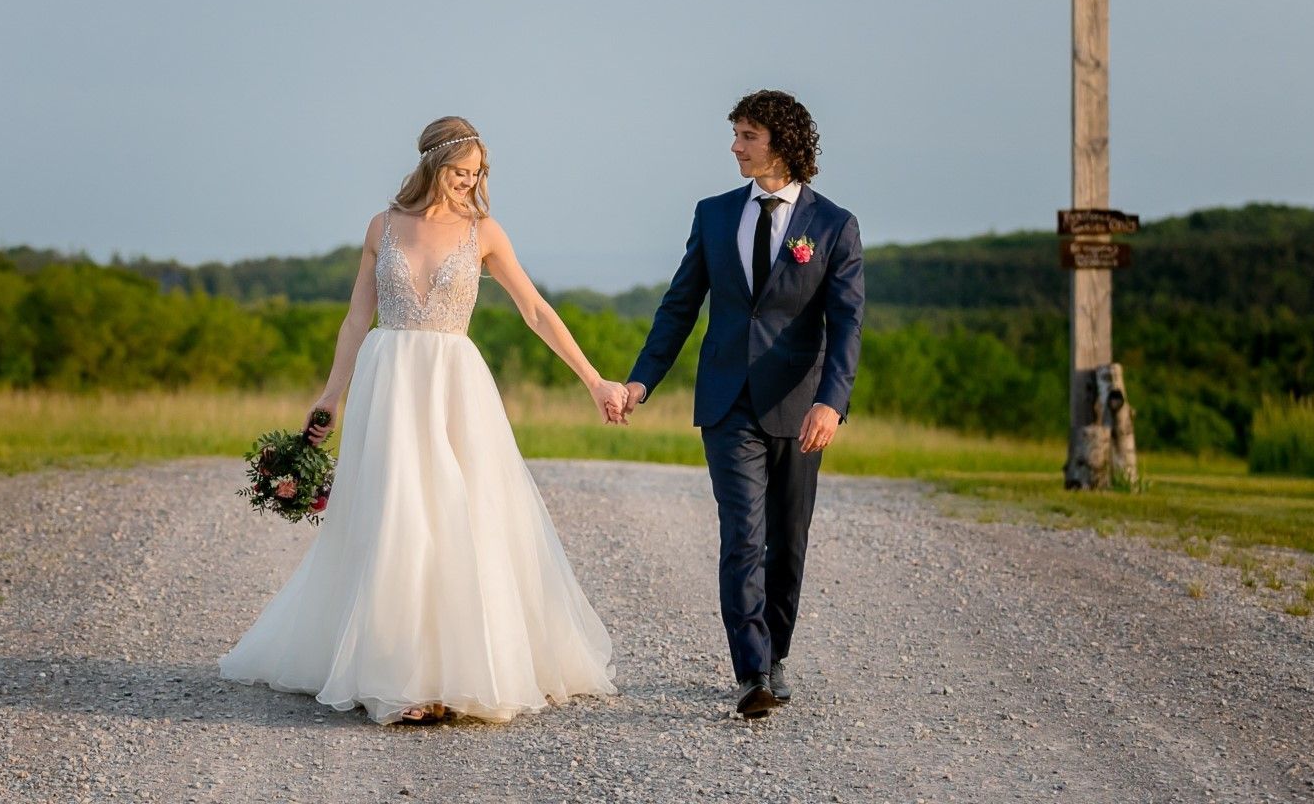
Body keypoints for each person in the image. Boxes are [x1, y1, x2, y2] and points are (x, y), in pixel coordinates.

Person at [219, 116, 630, 724]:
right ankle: (400, 674)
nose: (470, 183)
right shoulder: (382, 227)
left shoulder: (483, 232)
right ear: (432, 165)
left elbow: (535, 310)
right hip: (390, 381)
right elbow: (357, 320)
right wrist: (332, 396)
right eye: (461, 172)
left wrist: (595, 380)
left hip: (454, 387)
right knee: (396, 515)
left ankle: (451, 674)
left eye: (477, 173)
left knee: (454, 518)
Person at [623, 90, 864, 719]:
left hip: (799, 406)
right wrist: (642, 381)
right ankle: (752, 670)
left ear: (781, 142)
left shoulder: (834, 225)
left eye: (747, 135)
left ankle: (775, 655)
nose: (735, 146)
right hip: (727, 403)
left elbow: (847, 326)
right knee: (742, 536)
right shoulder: (712, 215)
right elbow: (679, 308)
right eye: (736, 134)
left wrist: (831, 403)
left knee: (788, 541)